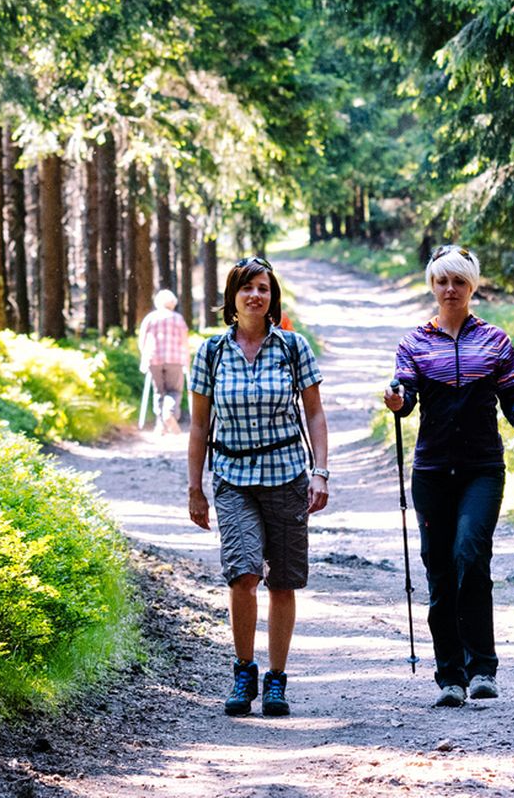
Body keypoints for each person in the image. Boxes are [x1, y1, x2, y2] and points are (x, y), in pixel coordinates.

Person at [382, 244, 514, 708]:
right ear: (433, 286)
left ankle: (482, 669)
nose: (451, 289)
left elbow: (513, 396)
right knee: (440, 570)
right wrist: (396, 401)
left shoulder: (495, 340)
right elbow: (405, 398)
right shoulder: (414, 342)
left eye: (460, 282)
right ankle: (450, 675)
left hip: (482, 469)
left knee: (471, 555)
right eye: (442, 281)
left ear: (473, 287)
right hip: (431, 472)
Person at [186, 256, 330, 718]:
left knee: (283, 582)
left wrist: (320, 471)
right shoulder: (211, 352)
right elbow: (198, 427)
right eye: (247, 288)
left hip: (287, 476)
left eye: (263, 288)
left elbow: (315, 413)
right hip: (233, 479)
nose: (255, 296)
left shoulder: (293, 347)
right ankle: (243, 670)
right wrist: (195, 488)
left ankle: (276, 681)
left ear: (273, 297)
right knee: (244, 573)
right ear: (232, 298)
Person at [138, 288, 190, 434]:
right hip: (175, 359)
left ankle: (160, 425)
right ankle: (169, 414)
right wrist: (187, 361)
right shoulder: (178, 318)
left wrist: (145, 356)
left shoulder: (150, 318)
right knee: (174, 391)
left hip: (154, 358)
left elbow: (142, 340)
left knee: (158, 392)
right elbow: (184, 341)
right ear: (173, 303)